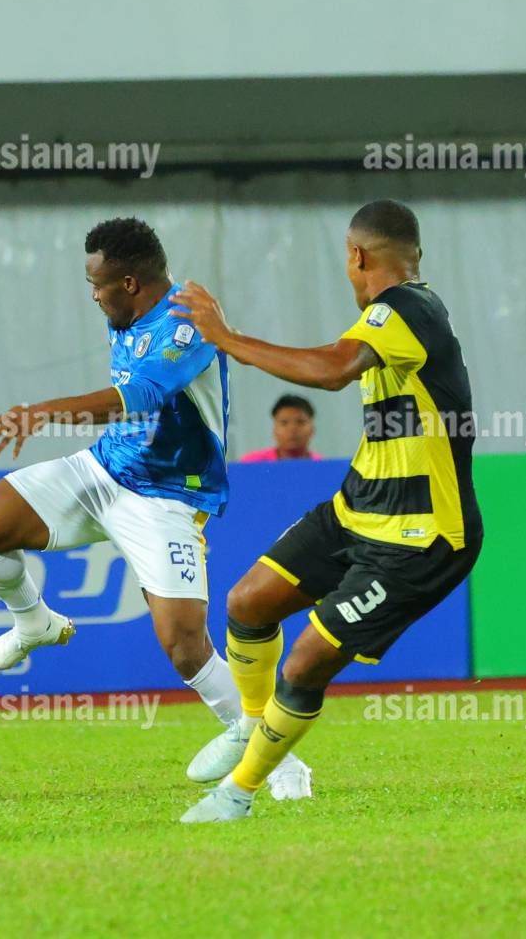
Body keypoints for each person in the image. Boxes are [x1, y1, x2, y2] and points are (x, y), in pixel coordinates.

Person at [0, 217, 311, 800]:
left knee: (185, 647)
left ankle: (280, 756)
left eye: (97, 284)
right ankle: (33, 620)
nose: (92, 295)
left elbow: (140, 396)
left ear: (130, 283)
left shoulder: (187, 323)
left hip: (167, 496)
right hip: (103, 470)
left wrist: (39, 413)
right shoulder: (126, 312)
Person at [170, 200, 483, 822]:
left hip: (419, 537)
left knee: (306, 661)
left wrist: (227, 339)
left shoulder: (404, 309)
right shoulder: (404, 317)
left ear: (356, 256)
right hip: (356, 509)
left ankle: (239, 792)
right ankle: (252, 726)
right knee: (247, 603)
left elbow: (333, 369)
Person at [240, 394, 322, 462]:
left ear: (312, 429)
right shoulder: (252, 463)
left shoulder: (321, 465)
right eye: (284, 423)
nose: (292, 429)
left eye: (300, 422)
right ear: (274, 430)